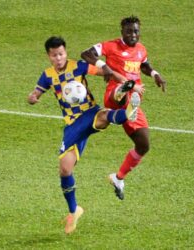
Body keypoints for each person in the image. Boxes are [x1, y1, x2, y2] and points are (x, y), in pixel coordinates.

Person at [28, 36, 140, 234]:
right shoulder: (47, 75)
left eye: (61, 53)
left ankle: (128, 112)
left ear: (66, 52)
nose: (59, 58)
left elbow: (105, 72)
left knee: (103, 116)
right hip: (72, 125)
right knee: (65, 169)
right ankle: (74, 211)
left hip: (89, 112)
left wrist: (127, 83)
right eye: (54, 55)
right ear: (49, 56)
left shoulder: (78, 66)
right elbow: (36, 92)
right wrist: (33, 97)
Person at [81, 15, 166, 200]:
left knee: (143, 145)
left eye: (136, 31)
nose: (133, 34)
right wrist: (107, 69)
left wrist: (154, 74)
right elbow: (86, 53)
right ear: (122, 32)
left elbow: (143, 64)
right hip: (114, 93)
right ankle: (122, 90)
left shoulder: (141, 49)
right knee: (122, 92)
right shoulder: (110, 46)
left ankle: (118, 178)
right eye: (129, 31)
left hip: (133, 100)